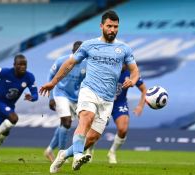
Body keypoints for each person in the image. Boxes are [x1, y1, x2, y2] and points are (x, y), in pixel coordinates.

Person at [40, 10, 140, 173]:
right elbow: (69, 63)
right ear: (101, 26)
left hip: (108, 99)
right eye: (109, 26)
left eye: (115, 27)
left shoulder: (124, 49)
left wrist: (133, 80)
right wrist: (53, 82)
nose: (112, 30)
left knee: (92, 137)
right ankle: (78, 155)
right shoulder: (89, 45)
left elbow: (135, 70)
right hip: (89, 91)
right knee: (86, 117)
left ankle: (64, 154)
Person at [86, 65, 146, 164]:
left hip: (119, 103)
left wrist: (140, 106)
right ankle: (89, 151)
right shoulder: (107, 69)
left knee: (123, 129)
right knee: (95, 130)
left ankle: (112, 152)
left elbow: (144, 89)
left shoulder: (131, 72)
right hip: (104, 102)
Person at [0, 54, 38, 162]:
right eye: (20, 64)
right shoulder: (5, 72)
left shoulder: (29, 77)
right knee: (14, 118)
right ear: (14, 65)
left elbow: (35, 95)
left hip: (9, 106)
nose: (22, 67)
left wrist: (31, 97)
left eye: (24, 65)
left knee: (5, 132)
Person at [44, 41, 86, 162]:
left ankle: (49, 149)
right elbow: (50, 76)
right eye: (77, 52)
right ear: (72, 51)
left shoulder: (86, 65)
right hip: (60, 93)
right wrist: (51, 97)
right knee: (67, 122)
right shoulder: (61, 60)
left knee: (64, 125)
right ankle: (61, 154)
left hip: (74, 98)